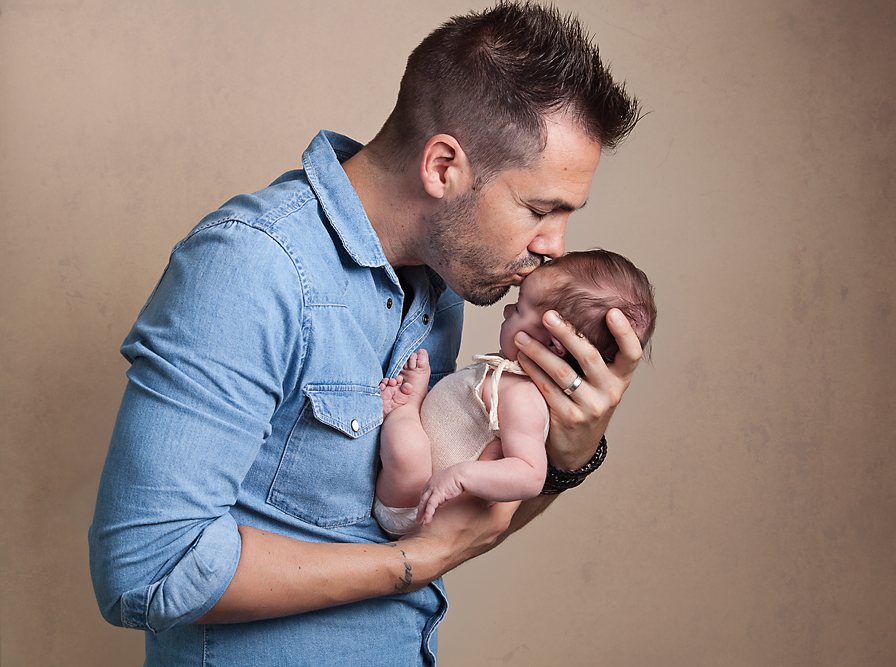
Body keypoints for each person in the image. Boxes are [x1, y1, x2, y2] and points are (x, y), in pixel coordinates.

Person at [89, 3, 643, 665]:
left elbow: (457, 525)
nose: (555, 248)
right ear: (443, 168)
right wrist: (411, 561)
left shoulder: (438, 287)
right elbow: (144, 569)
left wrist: (569, 455)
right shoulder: (253, 267)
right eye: (540, 209)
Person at [374, 250, 657, 537]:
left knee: (409, 448)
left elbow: (530, 474)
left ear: (553, 345)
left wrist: (461, 478)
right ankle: (412, 405)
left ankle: (404, 410)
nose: (507, 311)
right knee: (414, 439)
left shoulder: (524, 398)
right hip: (425, 483)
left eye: (520, 309)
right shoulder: (508, 375)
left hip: (415, 505)